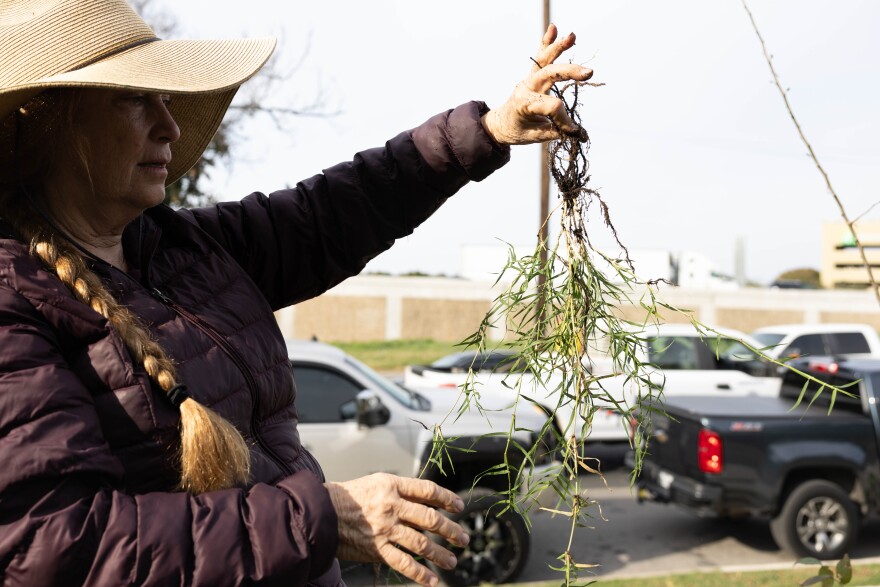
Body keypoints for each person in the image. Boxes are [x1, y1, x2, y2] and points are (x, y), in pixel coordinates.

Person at [0, 1, 592, 586]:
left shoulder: (184, 248)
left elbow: (331, 212)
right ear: (48, 120)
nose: (171, 127)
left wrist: (486, 131)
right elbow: (53, 545)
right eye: (134, 98)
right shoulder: (16, 298)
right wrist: (321, 520)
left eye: (167, 99)